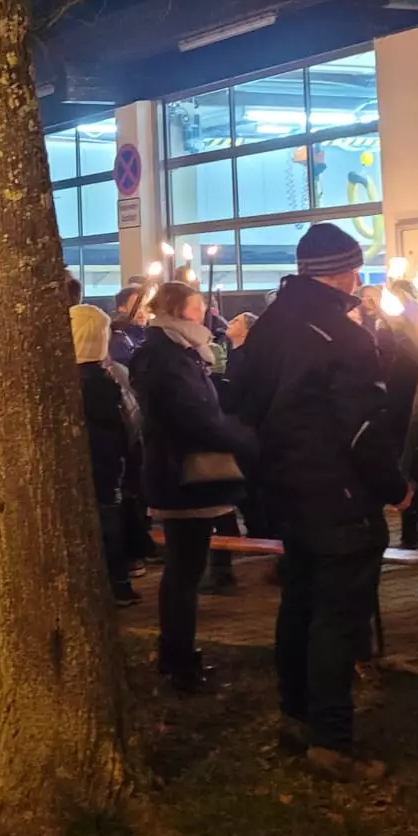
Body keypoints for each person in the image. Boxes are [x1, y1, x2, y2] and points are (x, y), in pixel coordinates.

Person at [228, 223, 404, 782]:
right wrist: (394, 485)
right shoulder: (342, 336)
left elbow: (244, 405)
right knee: (336, 616)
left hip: (287, 490)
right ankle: (331, 738)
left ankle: (297, 715)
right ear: (348, 271)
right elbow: (364, 429)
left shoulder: (270, 326)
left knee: (299, 604)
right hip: (339, 494)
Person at [131, 282, 252, 690]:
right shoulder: (166, 357)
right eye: (198, 306)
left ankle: (178, 654)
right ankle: (178, 661)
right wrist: (240, 441)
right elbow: (188, 416)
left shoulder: (179, 351)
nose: (204, 313)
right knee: (184, 572)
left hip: (182, 473)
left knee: (185, 569)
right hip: (181, 475)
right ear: (180, 310)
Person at [70, 303, 137, 604]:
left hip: (94, 464)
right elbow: (121, 426)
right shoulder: (99, 382)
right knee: (109, 523)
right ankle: (117, 584)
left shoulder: (75, 380)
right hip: (104, 464)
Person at [108, 282, 150, 369]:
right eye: (137, 307)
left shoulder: (151, 335)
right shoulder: (119, 342)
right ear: (122, 308)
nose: (142, 312)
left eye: (145, 307)